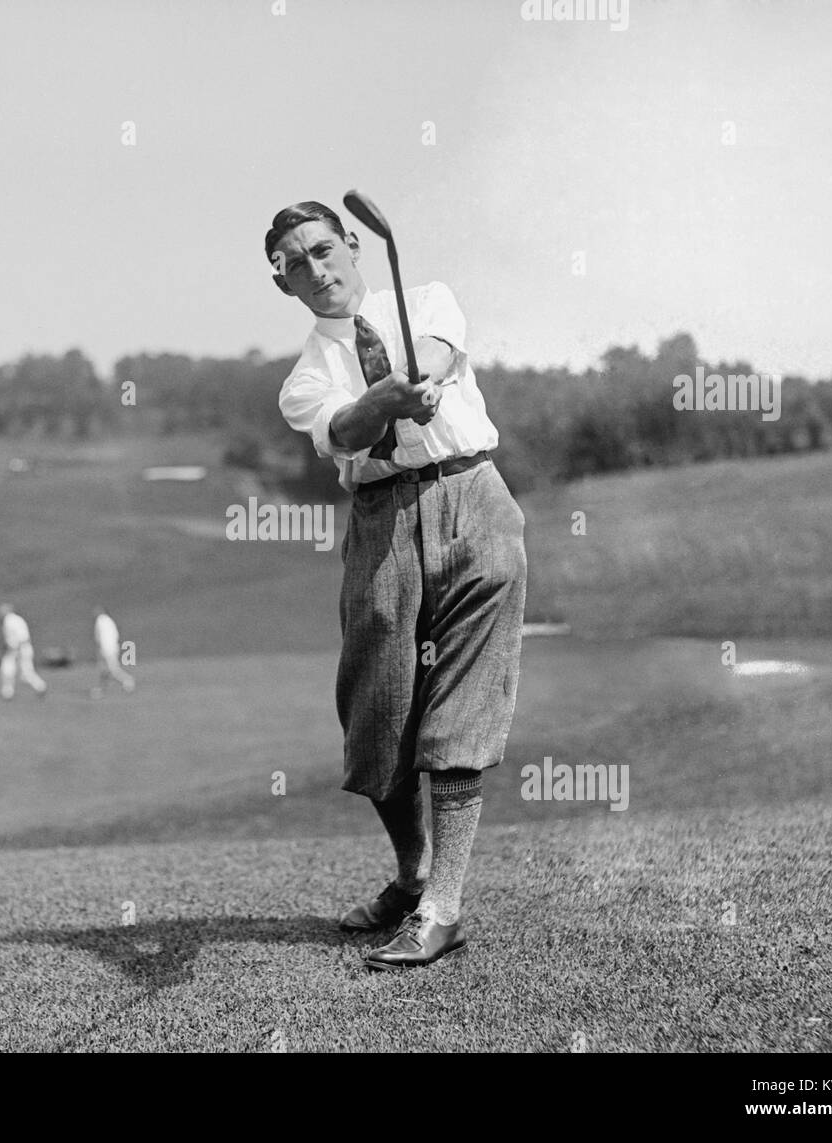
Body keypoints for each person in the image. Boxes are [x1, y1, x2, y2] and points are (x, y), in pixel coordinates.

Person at [269, 200, 527, 970]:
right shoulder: (305, 378)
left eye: (324, 249)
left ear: (354, 244)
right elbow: (344, 430)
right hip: (381, 524)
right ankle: (414, 878)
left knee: (458, 713)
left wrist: (424, 380)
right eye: (296, 263)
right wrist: (384, 402)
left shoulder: (428, 300)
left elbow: (442, 355)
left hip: (474, 501)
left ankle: (443, 910)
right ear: (282, 283)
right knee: (376, 718)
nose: (317, 270)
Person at [0, 603, 46, 700]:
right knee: (12, 670)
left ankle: (40, 687)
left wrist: (15, 649)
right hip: (20, 648)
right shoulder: (16, 619)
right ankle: (8, 692)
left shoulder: (10, 620)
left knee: (15, 671)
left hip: (18, 649)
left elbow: (22, 636)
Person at [92, 607, 135, 696]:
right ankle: (100, 690)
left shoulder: (100, 620)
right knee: (103, 670)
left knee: (113, 670)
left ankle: (127, 680)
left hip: (106, 649)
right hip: (113, 647)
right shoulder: (109, 621)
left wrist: (101, 649)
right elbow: (115, 635)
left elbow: (98, 637)